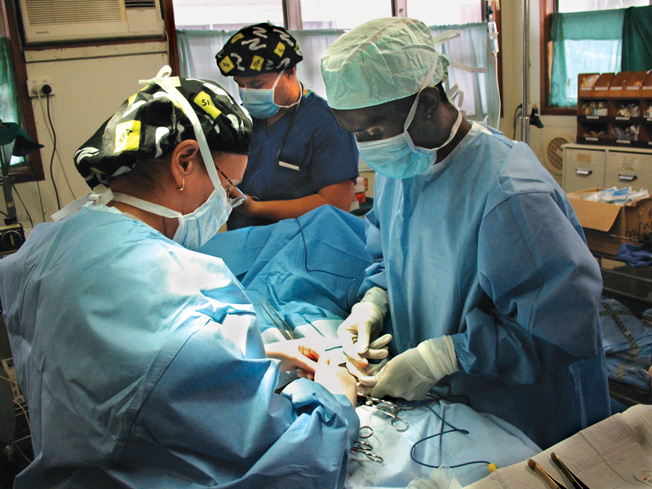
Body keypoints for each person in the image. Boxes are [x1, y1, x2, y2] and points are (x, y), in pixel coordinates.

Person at [0, 66, 358, 488]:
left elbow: (119, 376)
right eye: (228, 189)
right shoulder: (178, 287)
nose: (229, 205)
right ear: (184, 162)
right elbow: (288, 460)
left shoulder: (46, 243)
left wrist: (252, 365)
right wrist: (336, 402)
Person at [320, 17, 611, 449]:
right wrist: (374, 303)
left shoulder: (510, 194)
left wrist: (447, 355)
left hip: (525, 419)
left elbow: (562, 330)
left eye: (373, 131)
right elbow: (391, 257)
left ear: (429, 102)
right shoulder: (404, 168)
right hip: (451, 407)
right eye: (354, 134)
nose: (365, 146)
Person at [215, 22, 360, 230]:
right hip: (243, 241)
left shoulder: (327, 123)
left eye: (256, 85)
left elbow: (335, 204)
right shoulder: (239, 120)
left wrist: (256, 208)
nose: (247, 93)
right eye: (240, 85)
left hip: (304, 246)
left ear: (290, 71)